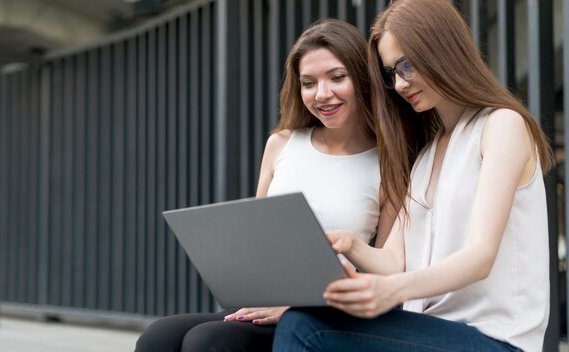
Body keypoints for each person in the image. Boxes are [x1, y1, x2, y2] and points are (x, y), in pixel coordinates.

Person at [272, 1, 554, 351]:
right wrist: (351, 244)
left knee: (306, 328)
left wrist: (393, 289)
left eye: (405, 66)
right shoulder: (425, 158)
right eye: (391, 73)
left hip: (496, 339)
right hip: (430, 331)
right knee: (302, 318)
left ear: (441, 49)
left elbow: (481, 256)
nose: (400, 84)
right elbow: (393, 260)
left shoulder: (501, 125)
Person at [134, 18, 395, 352]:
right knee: (158, 335)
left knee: (209, 341)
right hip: (265, 300)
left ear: (362, 77)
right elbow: (257, 243)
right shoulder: (282, 144)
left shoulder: (386, 163)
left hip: (331, 311)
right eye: (308, 83)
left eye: (337, 77)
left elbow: (384, 269)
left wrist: (298, 305)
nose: (322, 94)